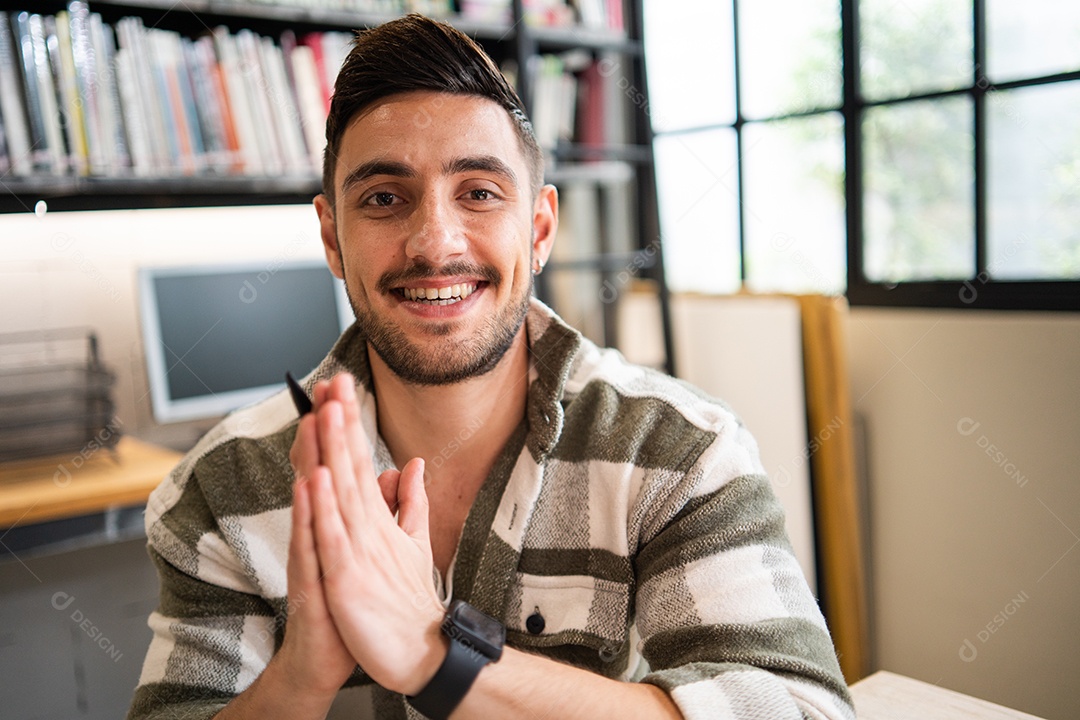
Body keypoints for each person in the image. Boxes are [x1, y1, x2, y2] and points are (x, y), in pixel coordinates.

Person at [128, 13, 854, 720]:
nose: (434, 242)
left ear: (538, 230)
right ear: (332, 237)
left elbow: (800, 710)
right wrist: (299, 678)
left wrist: (439, 660)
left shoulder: (680, 453)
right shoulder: (219, 490)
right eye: (384, 199)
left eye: (478, 192)